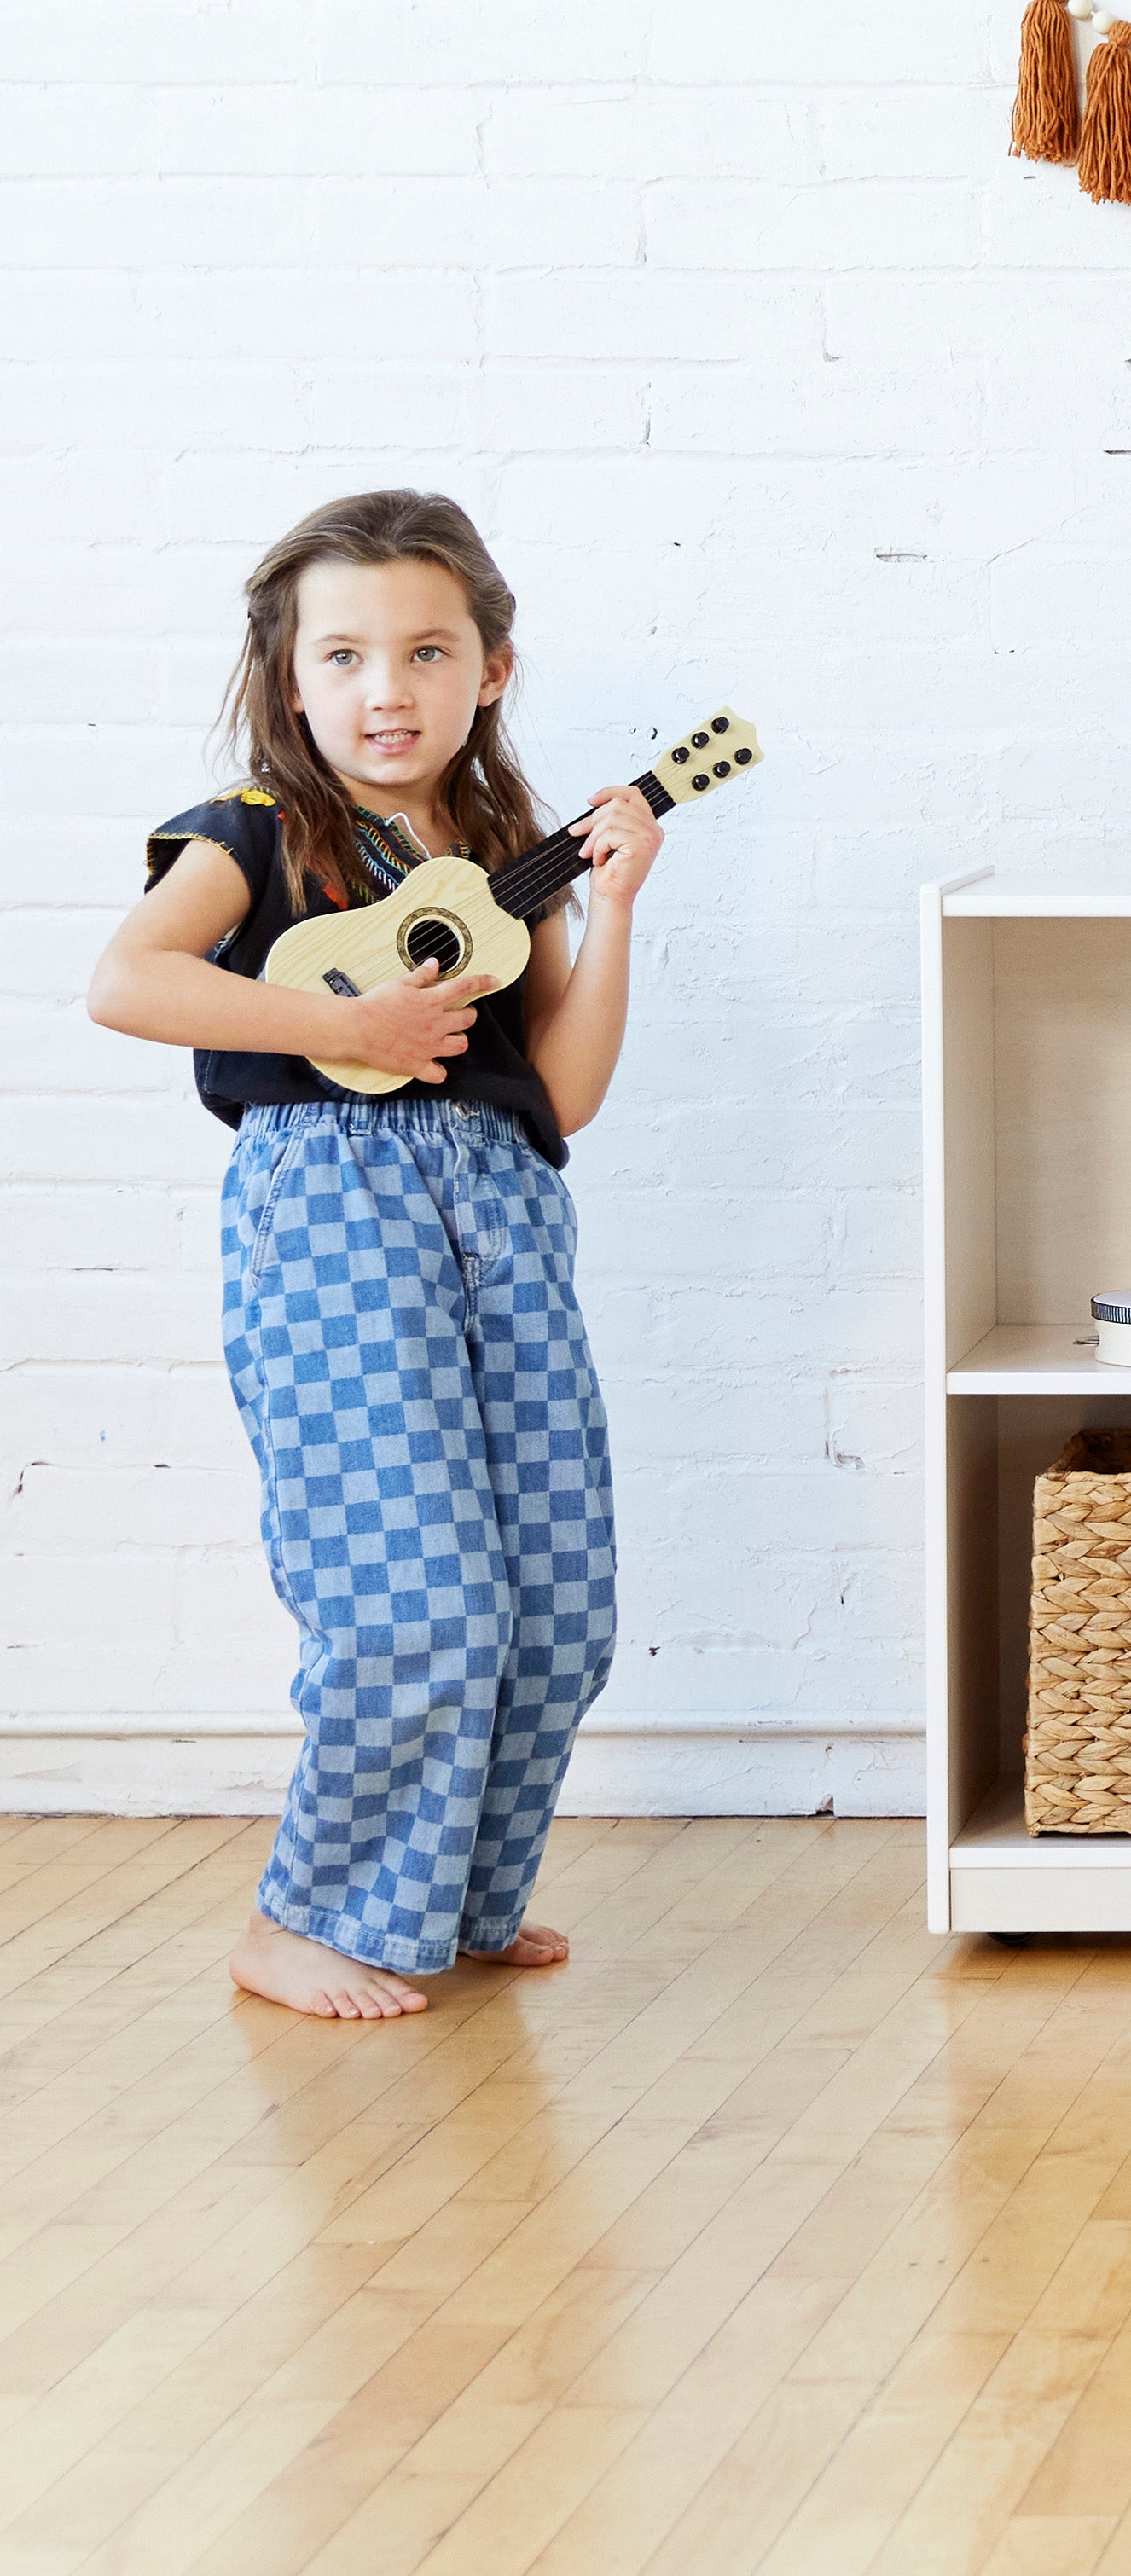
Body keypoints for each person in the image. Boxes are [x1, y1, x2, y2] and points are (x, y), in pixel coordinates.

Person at [87, 490, 664, 2019]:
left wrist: (610, 913)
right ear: (292, 680)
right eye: (342, 656)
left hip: (507, 1210)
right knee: (412, 1597)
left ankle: (454, 1900)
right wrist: (346, 1028)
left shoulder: (498, 860)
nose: (385, 688)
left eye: (425, 651)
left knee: (556, 1598)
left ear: (493, 670)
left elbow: (571, 1090)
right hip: (335, 1212)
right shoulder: (256, 838)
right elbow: (127, 982)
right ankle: (302, 1918)